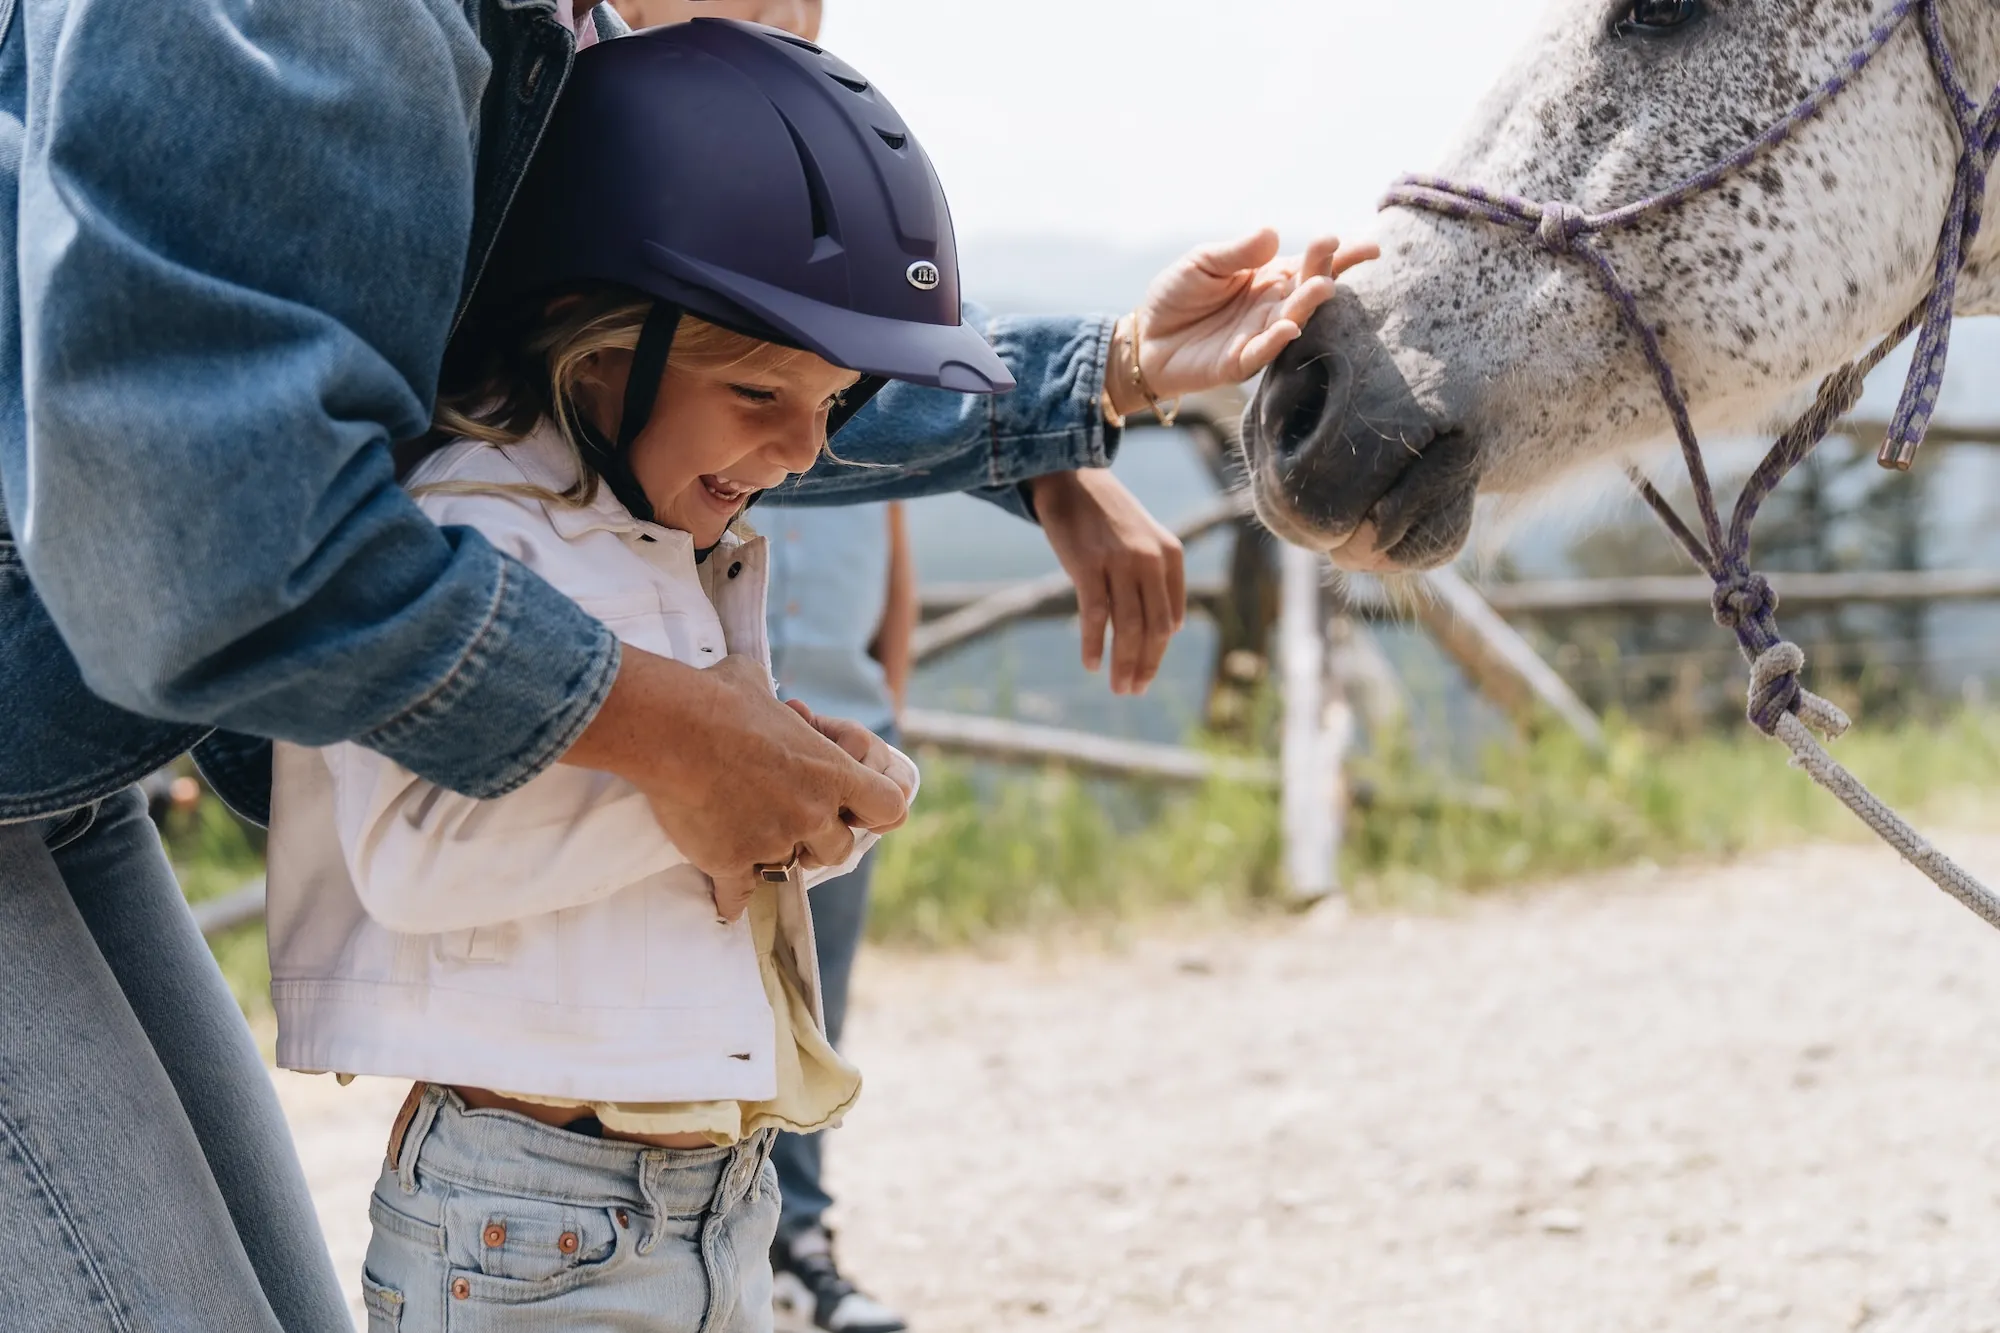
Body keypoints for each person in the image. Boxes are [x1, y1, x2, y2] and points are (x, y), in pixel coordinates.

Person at [0, 5, 1368, 1329]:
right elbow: (206, 525)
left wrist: (1102, 378)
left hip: (67, 743)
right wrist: (681, 749)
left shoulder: (547, 59)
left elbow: (727, 355)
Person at [266, 24, 989, 1328]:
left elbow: (692, 862)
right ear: (597, 342)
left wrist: (814, 799)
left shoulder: (672, 540)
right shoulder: (482, 531)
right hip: (532, 1216)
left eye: (830, 405)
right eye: (761, 393)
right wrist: (696, 792)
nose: (802, 450)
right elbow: (414, 862)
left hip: (710, 1195)